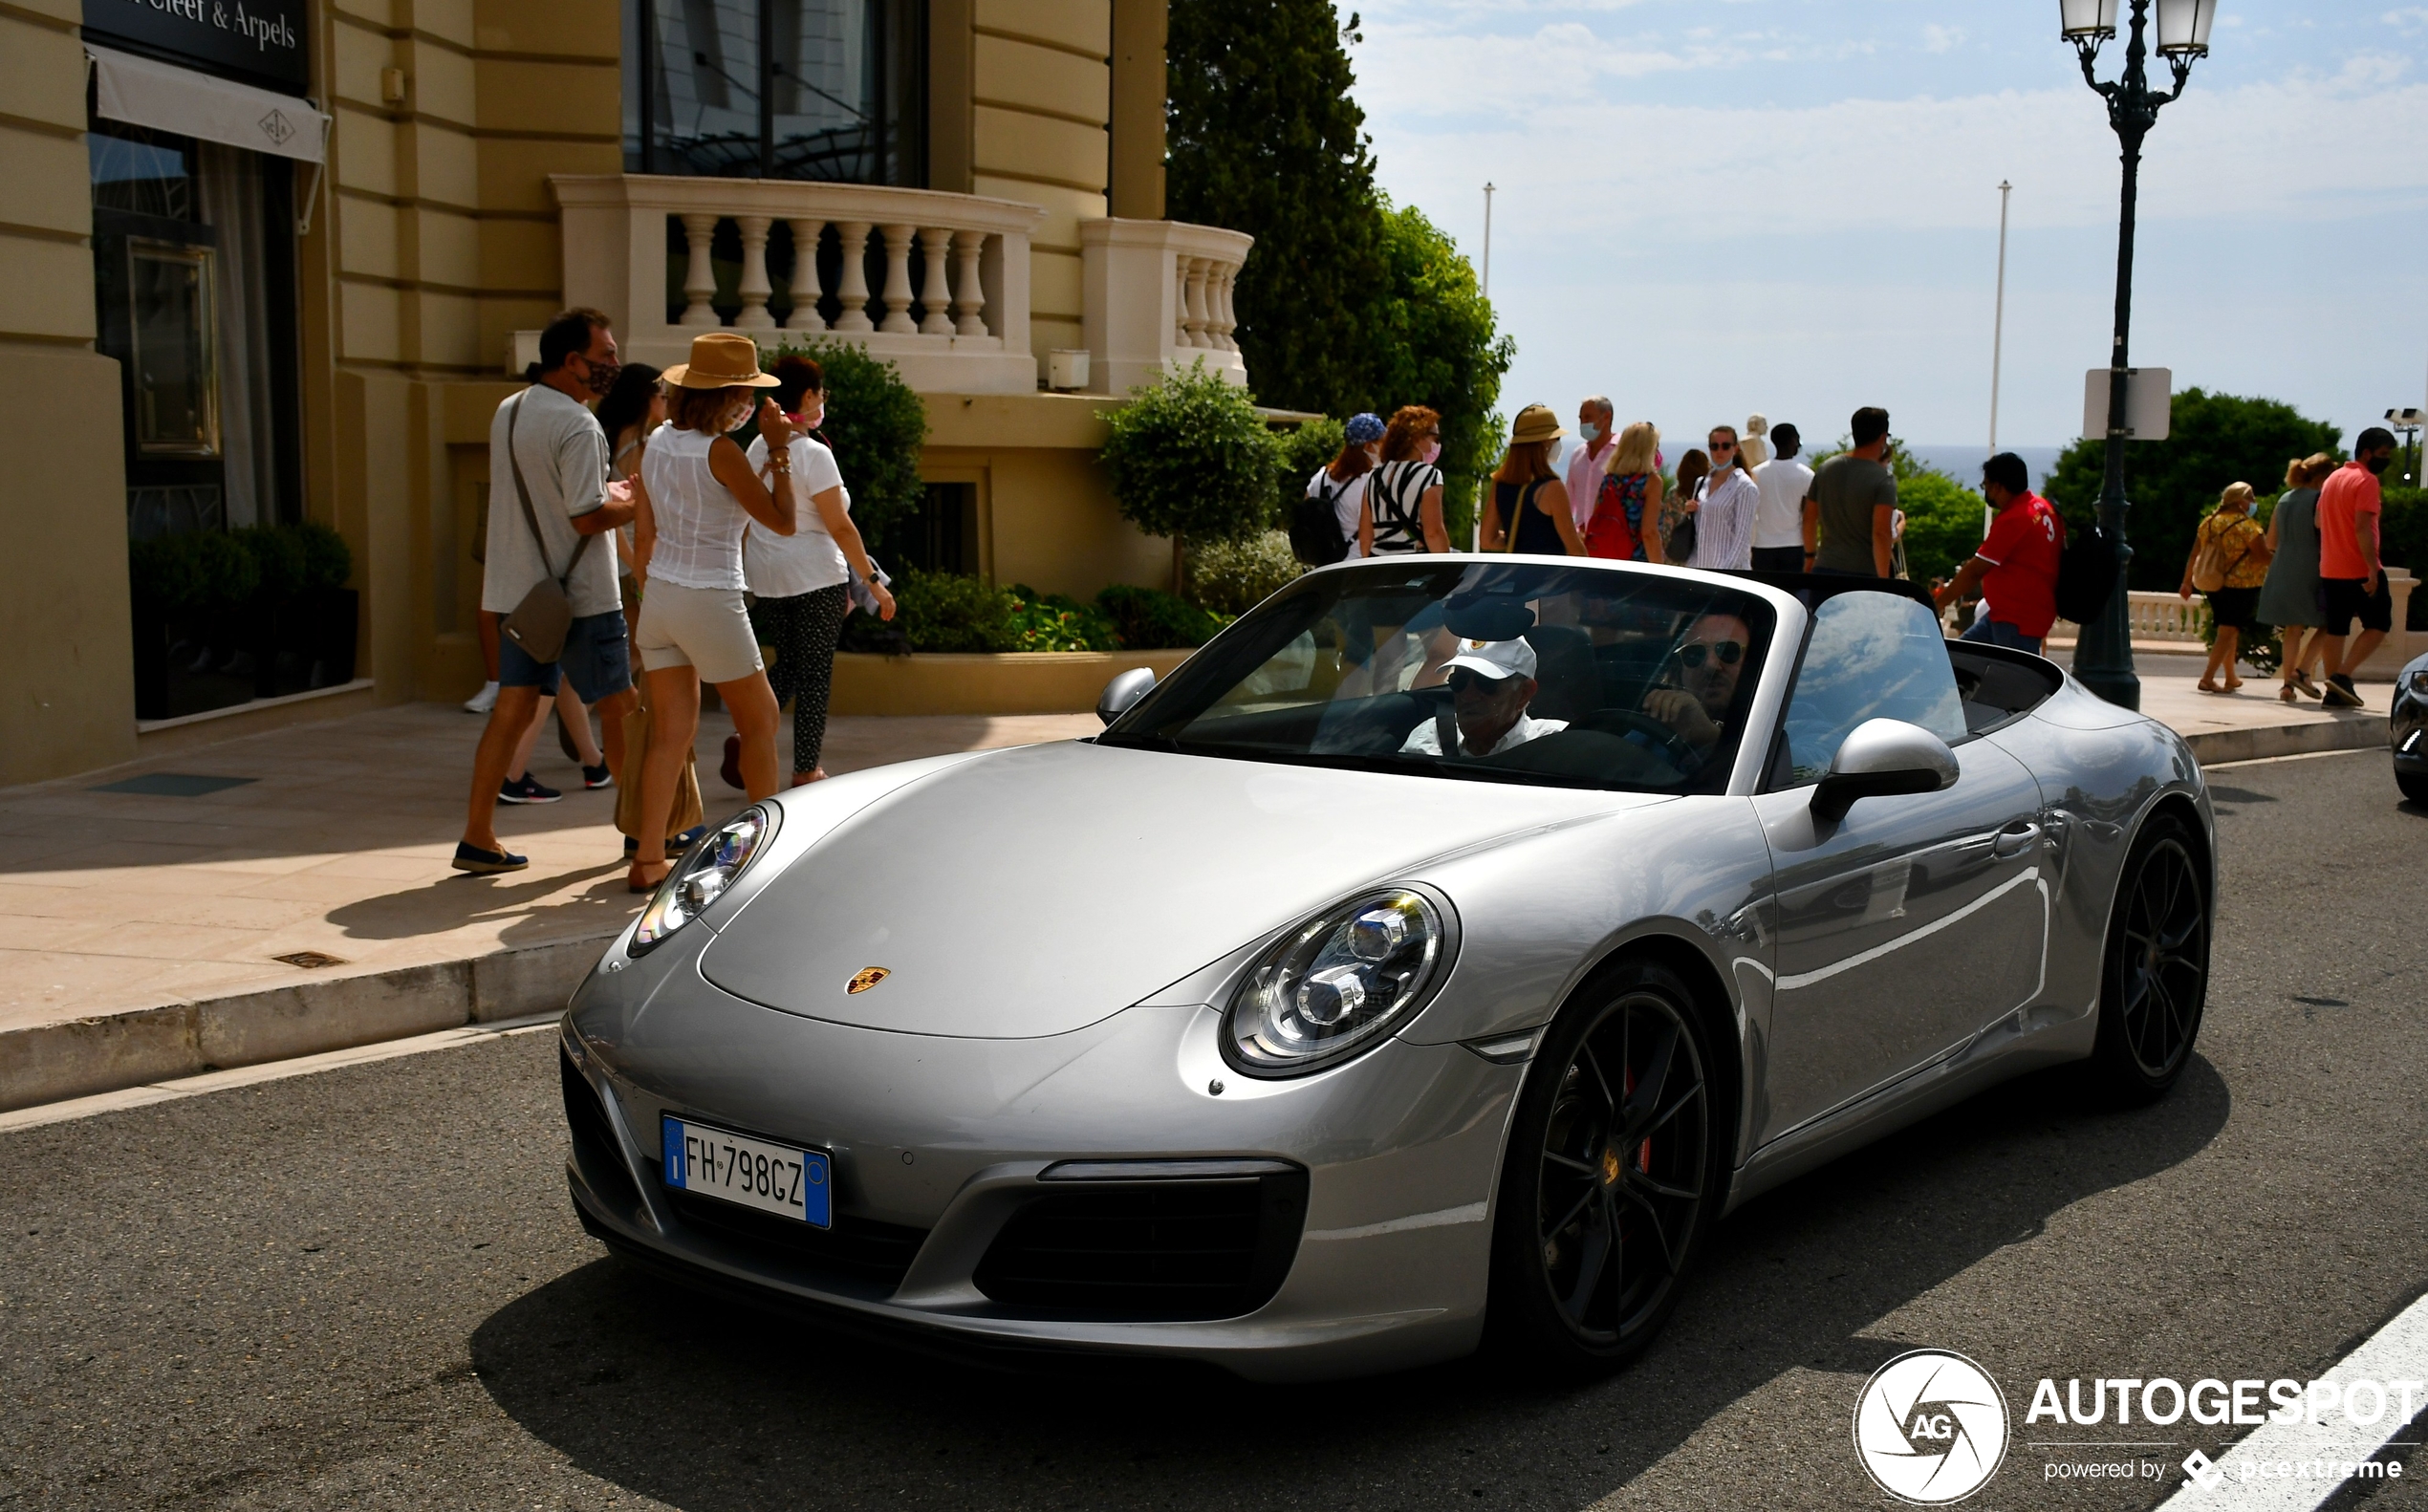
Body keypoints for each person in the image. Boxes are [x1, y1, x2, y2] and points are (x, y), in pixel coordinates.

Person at [452, 308, 640, 875]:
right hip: (580, 593)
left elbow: (552, 492)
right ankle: (642, 831)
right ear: (571, 362)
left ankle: (478, 836)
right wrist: (637, 501)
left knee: (510, 708)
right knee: (621, 707)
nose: (614, 364)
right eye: (605, 355)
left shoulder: (510, 410)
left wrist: (605, 491)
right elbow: (586, 516)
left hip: (520, 591)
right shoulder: (579, 424)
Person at [627, 332, 804, 893]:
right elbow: (783, 520)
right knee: (762, 722)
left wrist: (649, 593)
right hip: (709, 596)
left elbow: (646, 534)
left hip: (662, 596)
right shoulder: (721, 451)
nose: (752, 406)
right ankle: (765, 855)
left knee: (670, 735)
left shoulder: (655, 442)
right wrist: (779, 449)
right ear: (726, 397)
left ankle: (648, 860)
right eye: (746, 395)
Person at [744, 355, 897, 787]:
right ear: (808, 395)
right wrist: (873, 584)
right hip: (816, 579)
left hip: (769, 578)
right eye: (821, 392)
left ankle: (748, 728)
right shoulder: (813, 454)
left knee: (789, 663)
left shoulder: (757, 449)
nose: (822, 400)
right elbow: (841, 526)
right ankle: (806, 769)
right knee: (814, 674)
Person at [1931, 452, 2065, 654]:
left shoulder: (2015, 518)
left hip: (2016, 620)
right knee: (1957, 661)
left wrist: (1938, 603)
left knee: (2011, 682)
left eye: (1985, 486)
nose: (1986, 492)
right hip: (2006, 615)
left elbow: (1975, 571)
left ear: (1997, 487)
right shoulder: (2043, 507)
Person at [2312, 427, 2398, 708]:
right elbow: (2362, 528)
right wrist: (2372, 569)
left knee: (2337, 628)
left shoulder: (2333, 479)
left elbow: (2319, 522)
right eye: (2383, 454)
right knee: (2379, 623)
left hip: (2331, 566)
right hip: (2358, 567)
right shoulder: (2367, 481)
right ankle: (2343, 675)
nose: (2386, 460)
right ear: (2367, 452)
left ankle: (2334, 692)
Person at [1398, 637, 1568, 757]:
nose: (1468, 695)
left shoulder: (1555, 746)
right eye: (1460, 681)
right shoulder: (1429, 737)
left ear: (1524, 693)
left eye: (1486, 683)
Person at [2179, 482, 2269, 694]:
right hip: (2241, 585)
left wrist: (2186, 581)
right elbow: (2263, 557)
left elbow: (2194, 554)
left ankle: (2230, 677)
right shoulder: (2248, 527)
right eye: (2251, 498)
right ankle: (2208, 678)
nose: (2253, 502)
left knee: (2230, 629)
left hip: (2214, 584)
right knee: (2227, 631)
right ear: (2240, 501)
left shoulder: (2209, 523)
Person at [2256, 452, 2332, 702]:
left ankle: (2288, 685)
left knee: (2292, 629)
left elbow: (2271, 541)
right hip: (2310, 566)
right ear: (2322, 477)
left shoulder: (2285, 499)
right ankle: (2304, 671)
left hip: (2282, 567)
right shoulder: (2320, 499)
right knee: (2331, 621)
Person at [1641, 610, 1752, 765]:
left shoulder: (1788, 726)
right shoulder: (1653, 733)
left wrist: (1710, 738)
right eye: (1694, 654)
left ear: (1755, 663)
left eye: (1728, 651)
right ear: (1679, 670)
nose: (1710, 665)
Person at [1483, 405, 1588, 556]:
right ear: (1545, 443)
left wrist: (1522, 541)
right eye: (1556, 438)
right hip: (1548, 577)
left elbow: (1487, 540)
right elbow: (1574, 548)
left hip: (1517, 575)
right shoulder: (1552, 487)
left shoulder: (1500, 482)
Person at [1805, 406, 1897, 576]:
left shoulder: (1826, 468)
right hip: (1863, 574)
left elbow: (1809, 518)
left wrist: (1810, 556)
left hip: (1824, 569)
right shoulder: (1884, 479)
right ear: (1883, 437)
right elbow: (1881, 532)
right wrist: (1884, 580)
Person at [1361, 405, 1451, 556]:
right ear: (1417, 438)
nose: (1437, 444)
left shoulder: (1374, 477)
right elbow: (1433, 533)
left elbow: (1365, 537)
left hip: (1379, 566)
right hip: (1413, 566)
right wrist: (1448, 570)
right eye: (1435, 438)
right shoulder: (1429, 475)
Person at [1309, 412, 1385, 562]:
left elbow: (1307, 510)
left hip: (1325, 566)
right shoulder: (1370, 483)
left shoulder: (1322, 477)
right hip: (1357, 565)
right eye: (1383, 442)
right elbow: (1375, 533)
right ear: (1369, 446)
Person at [1586, 421, 1666, 562]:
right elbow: (1649, 533)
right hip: (1637, 562)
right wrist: (1661, 571)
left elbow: (1596, 518)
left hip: (1608, 559)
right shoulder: (1651, 482)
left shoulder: (1608, 479)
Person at [1684, 425, 1759, 572]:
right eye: (1714, 446)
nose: (1719, 451)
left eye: (1725, 446)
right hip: (1700, 569)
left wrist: (1723, 572)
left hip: (1729, 574)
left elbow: (1742, 540)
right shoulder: (1701, 483)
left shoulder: (1744, 486)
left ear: (1735, 449)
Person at [1749, 421, 1811, 573]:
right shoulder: (1806, 475)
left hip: (1762, 545)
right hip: (1793, 544)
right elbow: (1808, 513)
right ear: (1792, 441)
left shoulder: (1756, 473)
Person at [1564, 396, 1617, 531]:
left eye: (1587, 418)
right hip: (1581, 542)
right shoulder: (1578, 455)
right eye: (1581, 419)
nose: (1583, 424)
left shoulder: (1622, 453)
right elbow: (1568, 502)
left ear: (1606, 417)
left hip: (1612, 542)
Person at [1663, 448, 1708, 560]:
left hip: (1678, 555)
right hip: (1703, 555)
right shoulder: (1708, 494)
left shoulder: (1673, 494)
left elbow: (1666, 531)